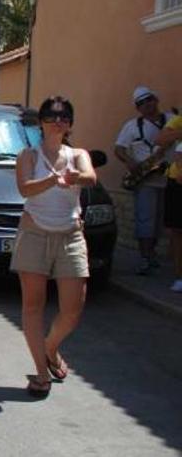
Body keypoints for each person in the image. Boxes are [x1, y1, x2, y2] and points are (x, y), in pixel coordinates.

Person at [11, 96, 96, 397]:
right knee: (33, 306)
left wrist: (75, 177)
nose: (57, 120)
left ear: (70, 123)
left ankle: (50, 347)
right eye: (50, 115)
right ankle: (40, 372)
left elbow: (91, 177)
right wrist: (51, 180)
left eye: (63, 116)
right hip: (34, 234)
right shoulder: (28, 156)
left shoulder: (78, 154)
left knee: (73, 308)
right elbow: (24, 188)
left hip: (70, 235)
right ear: (41, 122)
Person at [114, 86, 176, 275]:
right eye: (141, 103)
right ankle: (145, 257)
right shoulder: (132, 126)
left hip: (170, 176)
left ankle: (153, 254)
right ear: (137, 108)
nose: (146, 105)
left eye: (149, 100)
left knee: (161, 221)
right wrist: (131, 163)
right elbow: (119, 148)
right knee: (146, 219)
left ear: (156, 100)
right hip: (146, 177)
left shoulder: (172, 120)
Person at [156, 114, 182, 292]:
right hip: (177, 182)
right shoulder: (179, 120)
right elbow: (161, 138)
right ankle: (180, 277)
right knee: (178, 231)